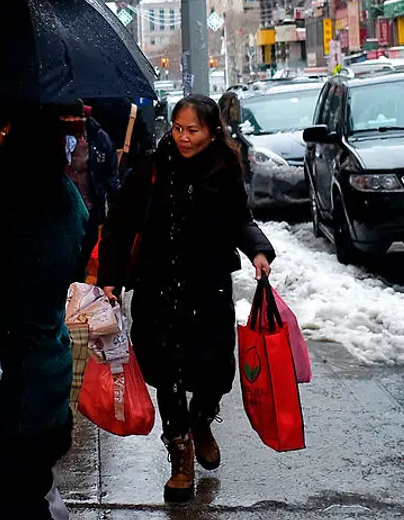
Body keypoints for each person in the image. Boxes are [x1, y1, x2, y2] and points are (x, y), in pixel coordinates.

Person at [96, 94, 275, 505]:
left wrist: (259, 252)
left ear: (212, 132)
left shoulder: (225, 169)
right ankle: (180, 457)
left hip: (208, 287)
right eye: (178, 128)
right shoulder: (154, 169)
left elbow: (240, 220)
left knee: (214, 371)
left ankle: (201, 419)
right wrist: (111, 279)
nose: (183, 137)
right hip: (158, 287)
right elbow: (120, 225)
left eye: (193, 130)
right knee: (168, 372)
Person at [0, 89, 88, 520]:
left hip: (1, 391)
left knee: (3, 502)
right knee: (31, 493)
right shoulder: (62, 191)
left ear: (4, 126)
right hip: (46, 372)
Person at [59, 100, 121, 277]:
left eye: (75, 118)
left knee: (86, 255)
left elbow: (110, 175)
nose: (70, 121)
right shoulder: (53, 139)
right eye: (65, 118)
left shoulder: (99, 139)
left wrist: (116, 210)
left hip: (92, 208)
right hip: (64, 211)